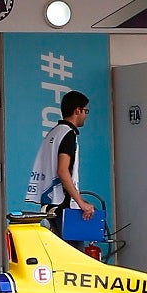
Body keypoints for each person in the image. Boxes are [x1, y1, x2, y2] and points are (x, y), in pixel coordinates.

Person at [26, 91, 94, 234]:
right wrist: (81, 203)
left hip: (50, 203)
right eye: (85, 111)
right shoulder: (68, 134)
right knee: (72, 252)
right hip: (62, 204)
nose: (86, 116)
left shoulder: (54, 132)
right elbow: (62, 171)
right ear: (77, 110)